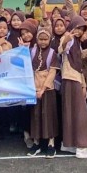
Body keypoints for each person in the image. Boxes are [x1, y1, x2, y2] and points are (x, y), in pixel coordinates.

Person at [59, 16, 87, 158]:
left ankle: (69, 143)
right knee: (81, 113)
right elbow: (60, 49)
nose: (79, 31)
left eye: (82, 29)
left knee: (71, 112)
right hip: (71, 78)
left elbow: (79, 66)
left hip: (73, 79)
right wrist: (66, 40)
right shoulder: (69, 40)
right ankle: (82, 147)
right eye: (78, 28)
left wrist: (83, 85)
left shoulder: (77, 43)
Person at [26, 22, 59, 158]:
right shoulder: (32, 51)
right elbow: (28, 69)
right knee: (35, 115)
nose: (43, 42)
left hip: (48, 89)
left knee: (48, 115)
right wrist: (33, 89)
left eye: (46, 39)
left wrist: (42, 89)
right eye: (40, 39)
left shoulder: (52, 54)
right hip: (34, 88)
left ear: (50, 39)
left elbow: (52, 73)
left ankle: (51, 143)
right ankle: (36, 142)